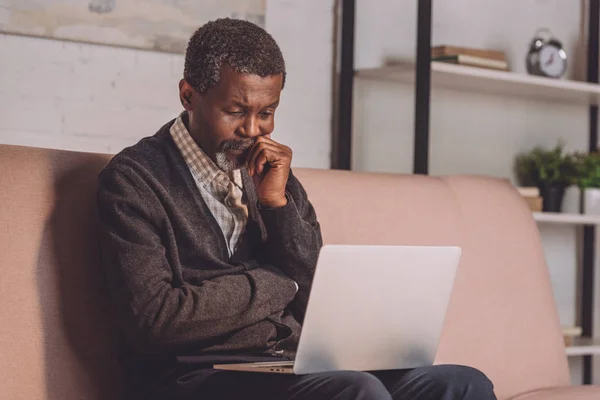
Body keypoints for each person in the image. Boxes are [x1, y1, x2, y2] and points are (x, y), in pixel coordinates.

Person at [97, 18, 496, 400]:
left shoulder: (273, 173)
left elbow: (315, 293)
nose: (253, 131)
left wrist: (276, 204)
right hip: (193, 377)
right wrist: (278, 282)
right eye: (236, 111)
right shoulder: (134, 180)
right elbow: (155, 320)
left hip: (284, 367)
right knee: (357, 392)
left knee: (462, 385)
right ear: (188, 95)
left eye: (266, 113)